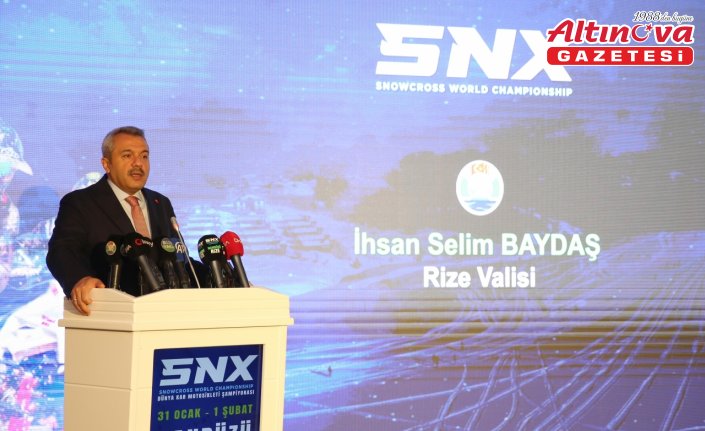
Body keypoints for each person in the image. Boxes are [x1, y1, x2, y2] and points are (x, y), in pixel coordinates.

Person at [46, 126, 183, 315]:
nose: (138, 163)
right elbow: (61, 251)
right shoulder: (81, 202)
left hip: (163, 312)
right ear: (106, 164)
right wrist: (79, 279)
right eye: (127, 156)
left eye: (144, 156)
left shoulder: (160, 203)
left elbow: (176, 255)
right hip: (109, 312)